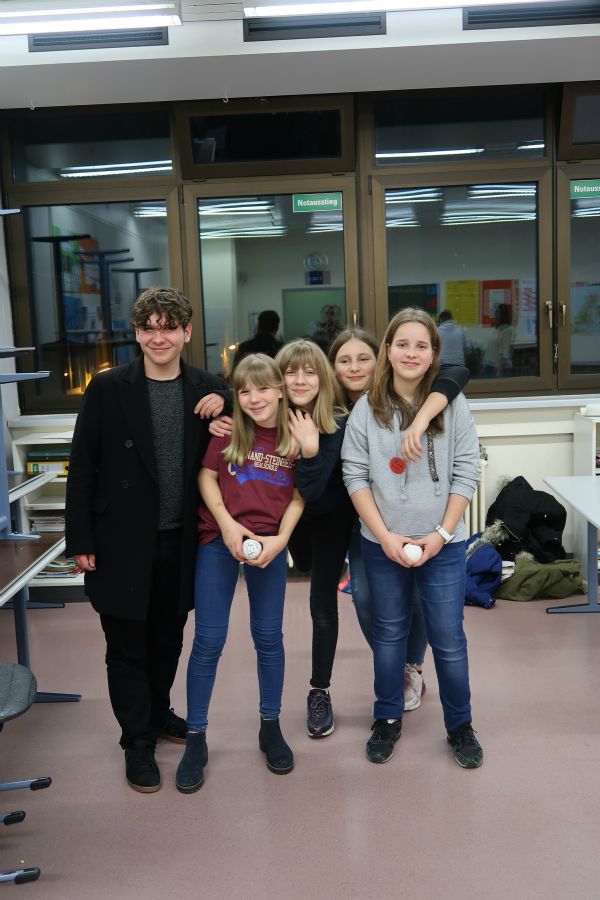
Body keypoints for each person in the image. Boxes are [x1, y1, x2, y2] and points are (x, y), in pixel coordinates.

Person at [65, 287, 229, 793]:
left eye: (169, 327)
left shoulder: (208, 387)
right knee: (126, 646)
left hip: (181, 540)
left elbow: (255, 412)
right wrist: (80, 539)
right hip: (119, 540)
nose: (159, 337)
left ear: (187, 332)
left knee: (167, 639)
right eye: (148, 328)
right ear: (136, 334)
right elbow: (82, 466)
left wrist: (229, 405)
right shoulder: (107, 387)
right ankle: (137, 741)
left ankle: (157, 714)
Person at [342, 308, 483, 769]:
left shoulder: (453, 405)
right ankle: (386, 718)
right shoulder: (366, 409)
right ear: (387, 349)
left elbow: (466, 471)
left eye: (421, 345)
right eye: (402, 344)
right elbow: (355, 475)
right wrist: (383, 536)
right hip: (382, 543)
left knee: (448, 639)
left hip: (443, 545)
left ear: (433, 353)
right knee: (389, 635)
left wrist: (441, 534)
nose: (411, 353)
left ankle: (460, 726)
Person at [175, 354, 304, 793]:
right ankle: (196, 736)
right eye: (244, 391)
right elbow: (206, 478)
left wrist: (280, 541)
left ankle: (271, 726)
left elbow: (300, 496)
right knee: (208, 640)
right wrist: (228, 526)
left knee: (268, 637)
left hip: (269, 545)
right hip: (219, 540)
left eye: (263, 388)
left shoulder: (295, 436)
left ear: (281, 390)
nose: (254, 398)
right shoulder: (229, 430)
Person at [481, 303, 515, 377]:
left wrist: (499, 370)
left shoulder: (508, 330)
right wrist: (483, 363)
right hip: (488, 366)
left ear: (503, 315)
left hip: (498, 368)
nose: (495, 314)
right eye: (495, 312)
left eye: (497, 312)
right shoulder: (496, 328)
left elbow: (506, 352)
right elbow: (490, 347)